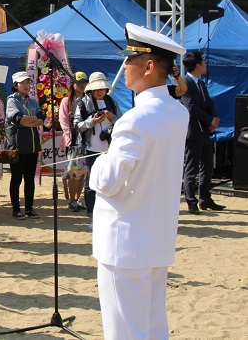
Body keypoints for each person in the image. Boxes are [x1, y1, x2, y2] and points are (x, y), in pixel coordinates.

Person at [90, 22, 188, 339]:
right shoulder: (177, 111)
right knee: (152, 326)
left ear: (148, 66)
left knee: (124, 331)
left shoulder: (135, 118)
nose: (125, 66)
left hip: (125, 243)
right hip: (156, 240)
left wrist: (99, 160)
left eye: (130, 59)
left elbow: (109, 182)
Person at [181, 50, 225, 213]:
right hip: (193, 131)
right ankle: (191, 201)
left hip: (205, 131)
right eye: (203, 63)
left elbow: (208, 101)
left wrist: (214, 119)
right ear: (198, 65)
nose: (206, 65)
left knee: (207, 166)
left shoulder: (200, 82)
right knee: (191, 168)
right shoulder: (186, 83)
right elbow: (191, 107)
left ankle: (205, 198)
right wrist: (210, 120)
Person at [73, 72, 121, 221]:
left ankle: (110, 211)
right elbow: (77, 125)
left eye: (102, 89)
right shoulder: (82, 103)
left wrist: (112, 117)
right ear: (91, 90)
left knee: (111, 180)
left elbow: (122, 121)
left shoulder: (112, 102)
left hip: (110, 148)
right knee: (91, 182)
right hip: (90, 148)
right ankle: (92, 213)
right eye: (97, 89)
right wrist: (92, 121)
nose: (100, 92)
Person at [6, 71, 45, 220]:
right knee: (16, 178)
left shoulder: (33, 101)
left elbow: (43, 120)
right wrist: (33, 120)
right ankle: (16, 209)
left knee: (30, 178)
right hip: (17, 146)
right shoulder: (12, 100)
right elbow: (18, 119)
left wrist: (29, 121)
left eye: (28, 82)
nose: (26, 85)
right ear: (15, 85)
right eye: (23, 82)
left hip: (33, 145)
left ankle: (29, 208)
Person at [58, 71, 88, 212]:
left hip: (87, 141)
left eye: (84, 82)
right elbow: (63, 121)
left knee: (82, 173)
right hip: (73, 141)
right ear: (73, 84)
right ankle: (72, 200)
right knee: (73, 173)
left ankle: (78, 198)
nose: (82, 85)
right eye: (80, 82)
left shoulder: (89, 99)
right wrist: (69, 137)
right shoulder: (66, 101)